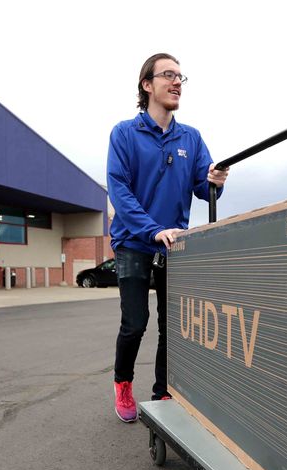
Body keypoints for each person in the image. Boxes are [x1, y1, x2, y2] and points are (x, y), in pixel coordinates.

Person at [106, 53, 229, 423]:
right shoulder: (125, 133)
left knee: (170, 326)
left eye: (180, 76)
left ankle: (163, 391)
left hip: (174, 246)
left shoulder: (190, 137)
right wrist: (151, 229)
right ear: (147, 85)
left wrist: (214, 182)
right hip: (133, 242)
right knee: (135, 322)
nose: (177, 82)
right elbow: (119, 190)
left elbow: (202, 190)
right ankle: (123, 382)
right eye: (168, 75)